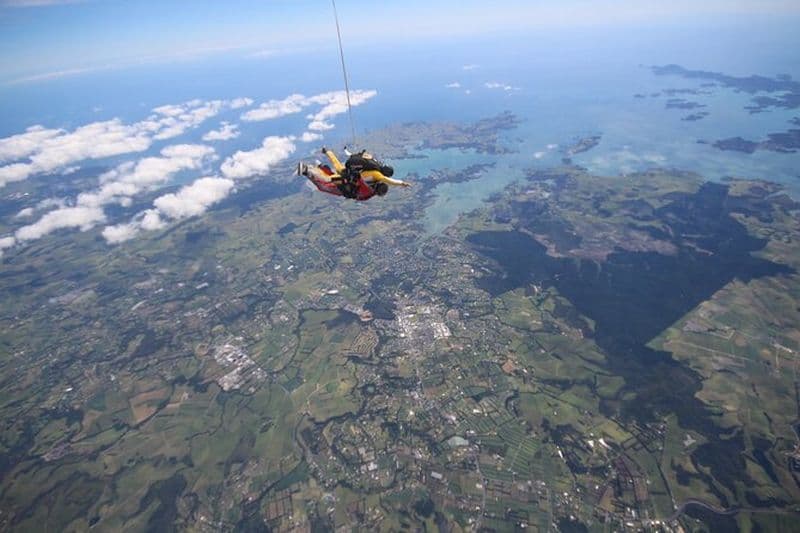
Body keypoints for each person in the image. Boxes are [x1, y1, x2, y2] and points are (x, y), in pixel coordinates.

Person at [298, 147, 410, 201]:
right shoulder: (376, 177)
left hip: (348, 174)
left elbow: (357, 159)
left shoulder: (374, 169)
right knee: (326, 183)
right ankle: (307, 169)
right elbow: (390, 181)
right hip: (346, 180)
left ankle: (326, 155)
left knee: (336, 166)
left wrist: (350, 153)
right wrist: (402, 183)